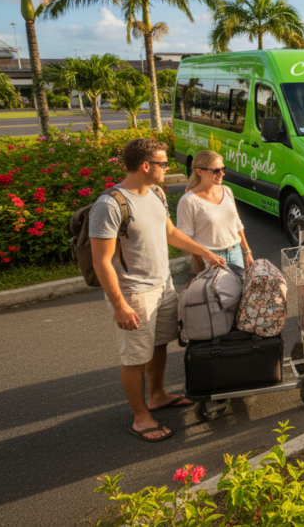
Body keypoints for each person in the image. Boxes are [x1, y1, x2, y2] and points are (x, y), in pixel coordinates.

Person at [90, 139, 226, 442]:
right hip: (134, 294)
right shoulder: (110, 205)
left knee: (160, 344)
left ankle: (158, 395)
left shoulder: (155, 192)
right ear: (146, 166)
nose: (169, 168)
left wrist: (205, 252)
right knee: (135, 357)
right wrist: (121, 305)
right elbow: (101, 262)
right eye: (164, 163)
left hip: (162, 285)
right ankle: (141, 418)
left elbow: (170, 232)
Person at [176, 150, 253, 274]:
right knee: (216, 293)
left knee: (239, 292)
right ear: (199, 172)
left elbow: (237, 225)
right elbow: (184, 239)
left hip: (235, 253)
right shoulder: (188, 201)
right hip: (209, 259)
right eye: (215, 171)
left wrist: (247, 252)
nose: (221, 174)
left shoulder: (227, 191)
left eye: (223, 169)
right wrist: (203, 256)